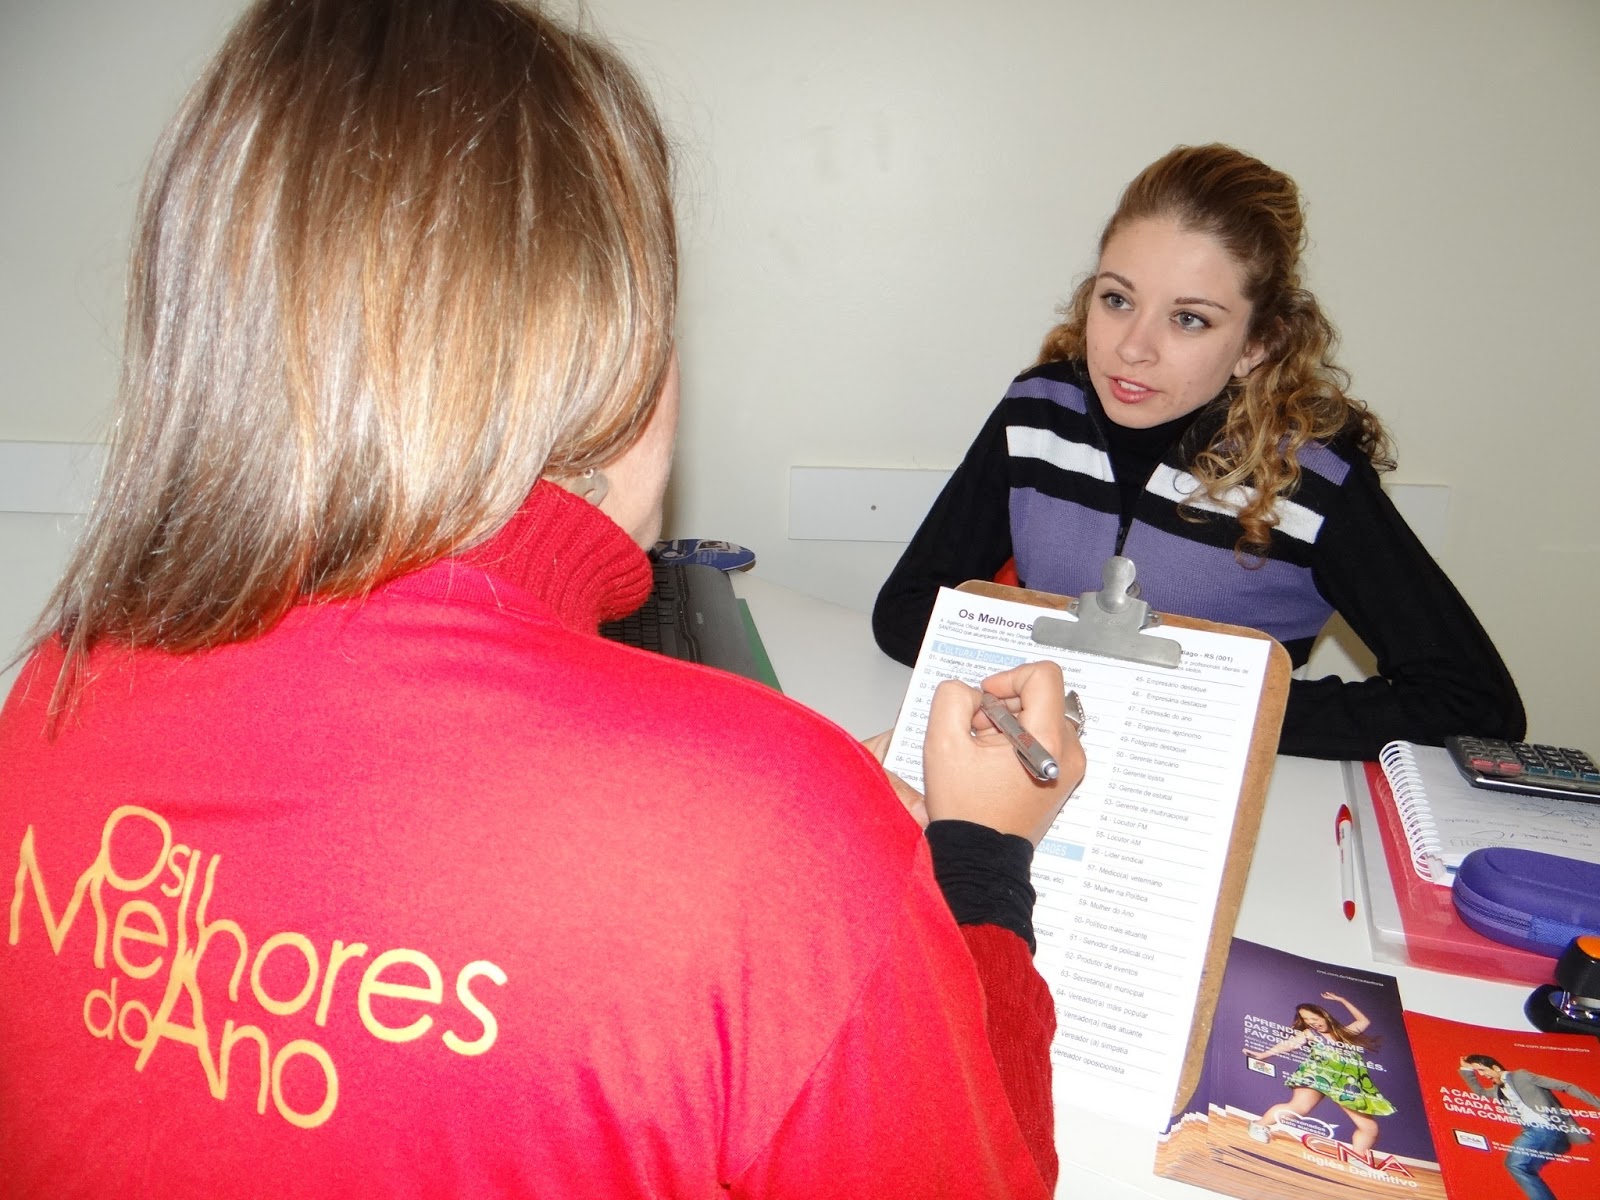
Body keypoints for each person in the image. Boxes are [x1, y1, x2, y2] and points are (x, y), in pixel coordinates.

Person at [0, 2, 1085, 1195]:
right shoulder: (769, 838)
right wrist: (978, 859)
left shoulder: (56, 694)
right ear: (613, 353)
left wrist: (820, 858)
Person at [871, 144, 1524, 761]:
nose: (1132, 347)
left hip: (1209, 794)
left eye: (1189, 319)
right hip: (1039, 763)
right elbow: (906, 611)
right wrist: (1054, 681)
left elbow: (1473, 703)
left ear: (1257, 343)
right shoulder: (1040, 413)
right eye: (1117, 299)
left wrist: (1198, 705)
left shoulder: (1309, 478)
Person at [1243, 992, 1394, 1154]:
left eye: (1314, 1018)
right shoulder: (1310, 1034)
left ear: (1324, 1016)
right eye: (1306, 1020)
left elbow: (1364, 1021)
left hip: (1345, 1083)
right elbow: (1289, 1044)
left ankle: (1359, 1157)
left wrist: (1342, 1000)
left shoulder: (1345, 1033)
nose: (1311, 1023)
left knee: (1369, 1127)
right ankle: (1259, 1125)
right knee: (1298, 1108)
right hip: (1317, 1075)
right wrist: (1264, 1054)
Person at [1459, 1055, 1600, 1200]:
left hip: (1544, 1129)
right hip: (1539, 1133)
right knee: (1525, 1168)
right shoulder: (1498, 1090)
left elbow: (1566, 1086)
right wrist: (1467, 1069)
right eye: (1478, 1072)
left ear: (1495, 1067)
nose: (1482, 1075)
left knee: (1515, 1165)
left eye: (1482, 1070)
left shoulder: (1521, 1076)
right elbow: (1480, 1092)